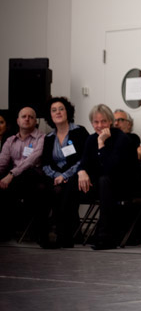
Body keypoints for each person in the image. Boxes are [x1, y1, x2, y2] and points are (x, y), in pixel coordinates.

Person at [81, 104, 140, 249]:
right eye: (96, 122)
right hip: (101, 185)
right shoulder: (90, 139)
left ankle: (105, 237)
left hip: (122, 185)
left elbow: (110, 168)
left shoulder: (121, 138)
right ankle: (64, 234)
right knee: (71, 182)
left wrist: (101, 144)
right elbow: (84, 162)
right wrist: (81, 171)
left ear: (110, 122)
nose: (100, 125)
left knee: (104, 180)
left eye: (103, 121)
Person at [38, 97, 89, 248]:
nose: (58, 112)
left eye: (61, 109)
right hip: (54, 177)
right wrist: (55, 176)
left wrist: (65, 176)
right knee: (41, 189)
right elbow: (45, 163)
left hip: (76, 175)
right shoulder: (48, 138)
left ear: (68, 112)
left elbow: (83, 158)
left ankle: (64, 236)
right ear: (50, 115)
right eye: (54, 110)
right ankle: (44, 236)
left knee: (62, 190)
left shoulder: (79, 131)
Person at [0, 106, 45, 241]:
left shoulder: (42, 138)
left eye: (31, 117)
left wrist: (11, 174)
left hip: (34, 177)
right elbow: (2, 162)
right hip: (14, 180)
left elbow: (32, 160)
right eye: (24, 116)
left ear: (35, 121)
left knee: (27, 174)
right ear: (18, 121)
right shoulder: (10, 140)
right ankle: (5, 232)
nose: (27, 119)